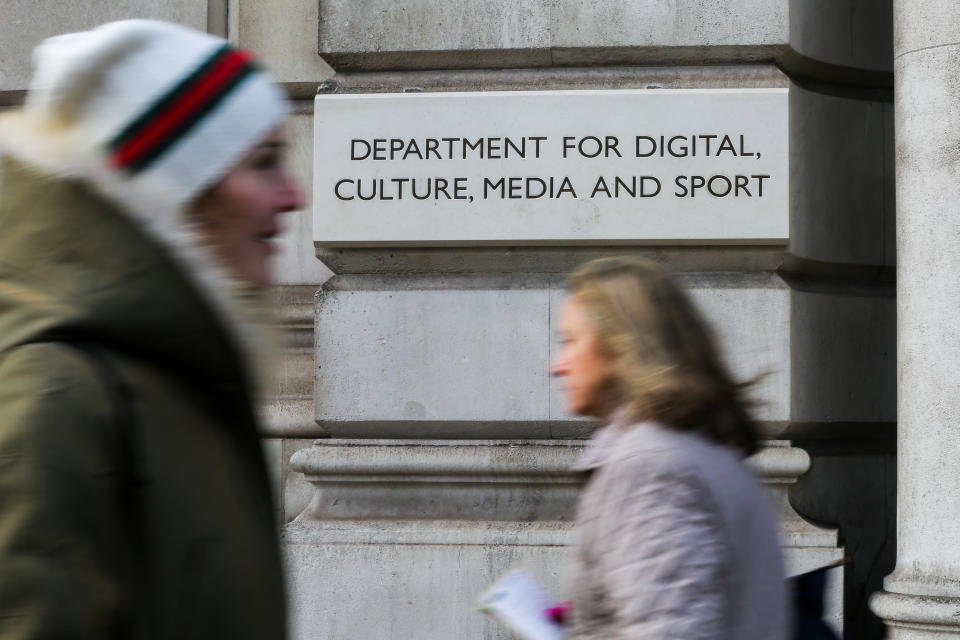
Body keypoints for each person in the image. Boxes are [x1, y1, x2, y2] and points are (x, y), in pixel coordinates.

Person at [0, 20, 304, 637]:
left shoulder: (179, 376)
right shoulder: (57, 389)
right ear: (180, 184)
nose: (293, 196)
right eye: (265, 163)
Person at [550, 257, 788, 640]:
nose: (557, 366)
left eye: (571, 341)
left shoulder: (647, 469)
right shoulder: (706, 452)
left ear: (619, 347)